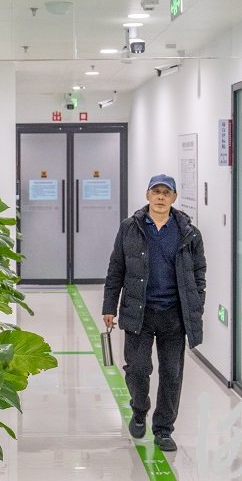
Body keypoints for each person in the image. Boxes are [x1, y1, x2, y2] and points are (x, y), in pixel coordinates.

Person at [102, 174, 206, 452]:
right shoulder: (130, 228)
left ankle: (164, 429)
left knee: (172, 374)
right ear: (147, 195)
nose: (161, 197)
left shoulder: (189, 232)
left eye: (166, 192)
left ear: (174, 197)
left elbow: (199, 273)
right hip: (140, 312)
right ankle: (139, 410)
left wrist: (196, 304)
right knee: (137, 369)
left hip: (174, 314)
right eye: (156, 191)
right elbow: (116, 269)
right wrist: (109, 306)